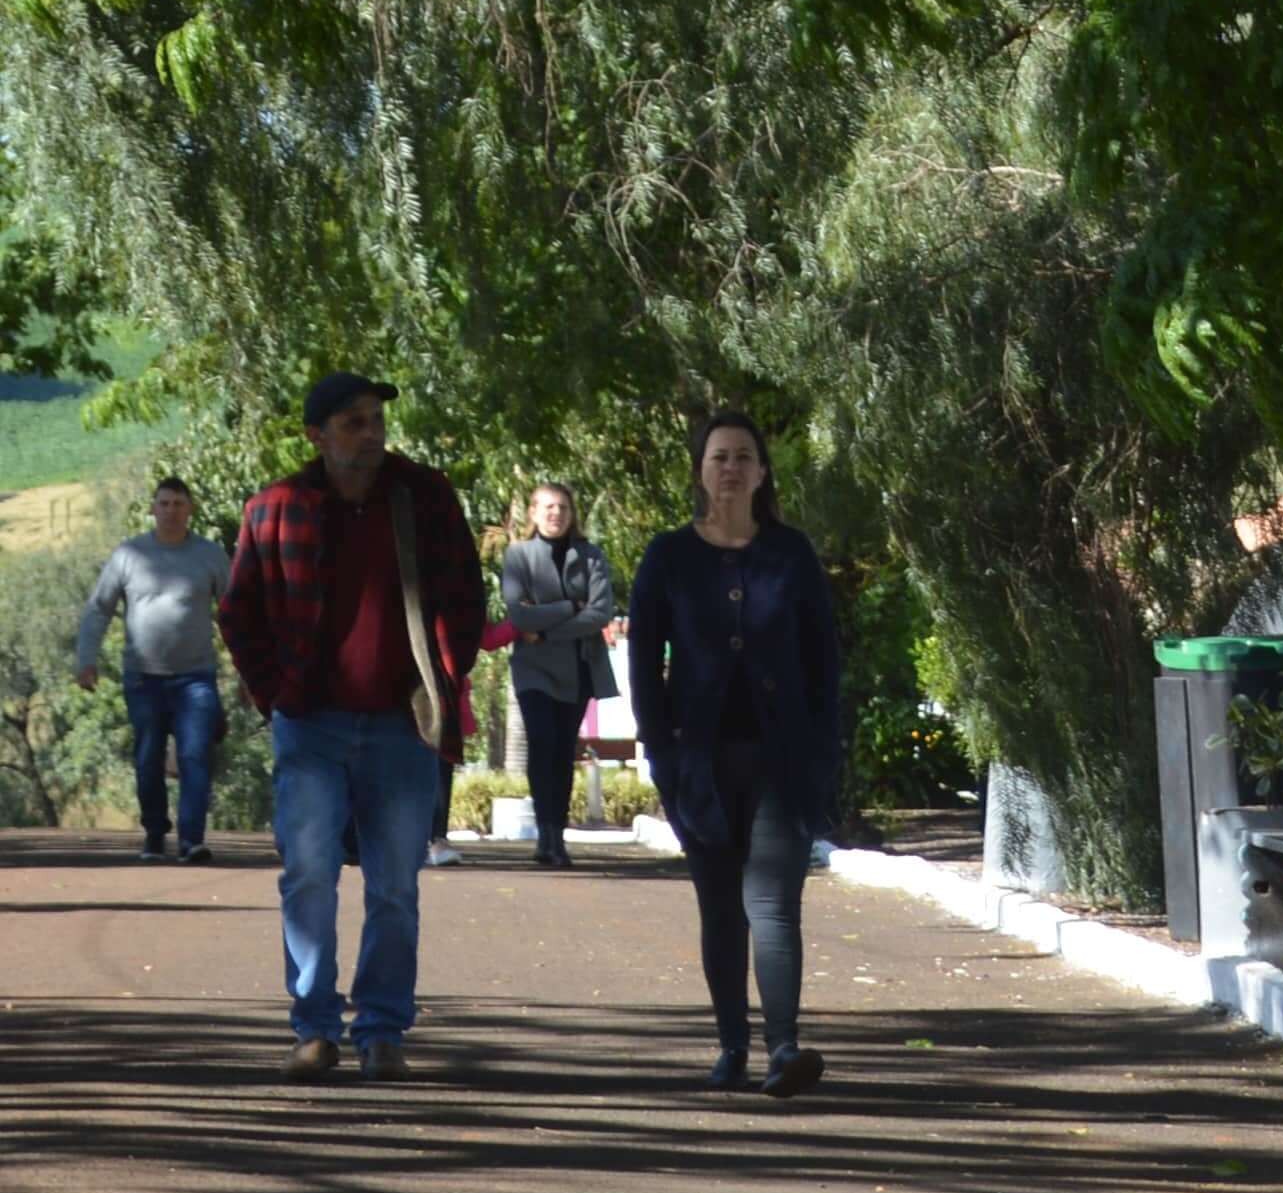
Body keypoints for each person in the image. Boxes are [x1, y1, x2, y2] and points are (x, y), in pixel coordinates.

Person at [218, 375, 483, 1081]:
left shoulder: (423, 498)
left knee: (396, 882)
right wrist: (273, 694)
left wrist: (447, 682)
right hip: (311, 725)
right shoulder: (275, 510)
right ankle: (313, 1028)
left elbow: (463, 594)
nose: (370, 433)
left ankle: (382, 1030)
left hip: (402, 725)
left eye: (374, 420)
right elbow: (238, 612)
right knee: (308, 873)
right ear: (317, 435)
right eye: (352, 422)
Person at [629, 410, 843, 1096]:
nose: (730, 467)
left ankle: (784, 1048)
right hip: (700, 762)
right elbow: (642, 665)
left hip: (782, 761)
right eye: (719, 456)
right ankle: (731, 1047)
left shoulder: (793, 554)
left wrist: (820, 754)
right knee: (721, 907)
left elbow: (824, 663)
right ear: (700, 468)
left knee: (773, 903)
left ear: (761, 472)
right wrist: (661, 753)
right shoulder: (668, 555)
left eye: (743, 456)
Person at [72, 478, 233, 862]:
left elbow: (235, 616)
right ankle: (155, 834)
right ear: (152, 508)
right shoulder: (129, 555)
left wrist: (247, 672)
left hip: (196, 676)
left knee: (195, 754)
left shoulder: (209, 556)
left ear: (190, 509)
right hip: (143, 677)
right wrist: (86, 658)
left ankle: (191, 839)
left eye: (179, 503)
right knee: (148, 758)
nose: (171, 510)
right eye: (164, 503)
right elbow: (99, 608)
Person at [492, 480, 623, 868]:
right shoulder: (518, 556)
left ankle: (556, 837)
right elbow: (518, 614)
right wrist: (570, 606)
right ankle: (544, 836)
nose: (556, 514)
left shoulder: (591, 555)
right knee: (542, 742)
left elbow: (600, 612)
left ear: (572, 514)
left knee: (563, 751)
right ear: (533, 513)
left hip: (578, 669)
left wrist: (547, 627)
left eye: (563, 507)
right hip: (533, 669)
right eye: (548, 507)